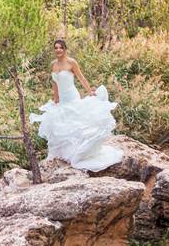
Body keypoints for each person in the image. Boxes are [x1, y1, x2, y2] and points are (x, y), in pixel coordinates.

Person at [29, 39, 123, 171]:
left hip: (72, 97)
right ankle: (66, 153)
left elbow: (81, 78)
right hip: (62, 99)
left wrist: (90, 91)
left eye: (60, 48)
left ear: (65, 49)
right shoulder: (53, 64)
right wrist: (55, 98)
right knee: (63, 126)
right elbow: (55, 83)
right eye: (56, 48)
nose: (58, 50)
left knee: (76, 125)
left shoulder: (71, 62)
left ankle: (79, 153)